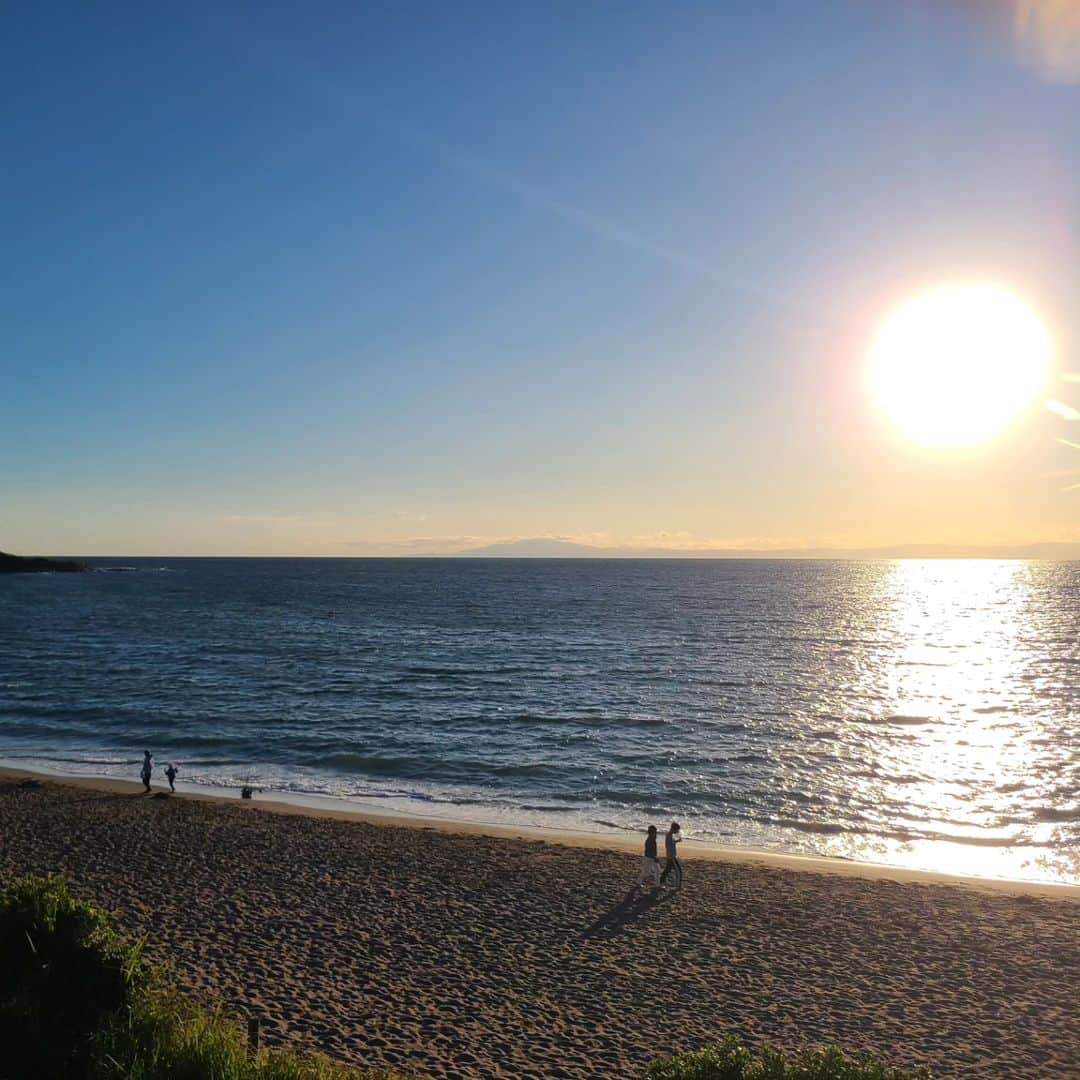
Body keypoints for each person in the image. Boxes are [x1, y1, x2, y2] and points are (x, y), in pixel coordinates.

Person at [660, 821, 683, 888]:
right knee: (678, 871)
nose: (678, 831)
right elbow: (669, 845)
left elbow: (670, 844)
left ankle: (661, 882)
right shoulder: (669, 835)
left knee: (667, 870)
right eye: (677, 830)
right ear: (674, 829)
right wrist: (677, 841)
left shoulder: (669, 835)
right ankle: (678, 885)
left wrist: (677, 841)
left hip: (670, 856)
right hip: (672, 856)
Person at [639, 825, 661, 890]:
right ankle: (638, 881)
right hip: (649, 858)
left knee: (658, 870)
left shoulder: (652, 839)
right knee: (647, 873)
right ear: (652, 832)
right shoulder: (650, 840)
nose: (656, 833)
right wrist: (654, 857)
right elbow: (648, 851)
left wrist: (655, 857)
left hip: (652, 857)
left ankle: (657, 885)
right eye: (655, 832)